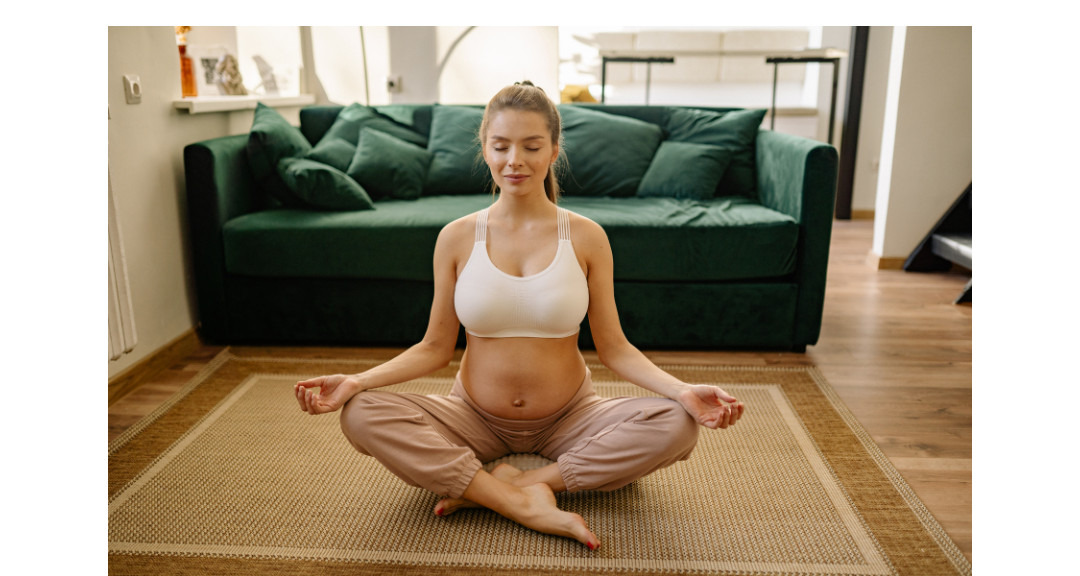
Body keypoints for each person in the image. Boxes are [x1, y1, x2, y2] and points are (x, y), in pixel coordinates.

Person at [294, 81, 746, 551]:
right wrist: (358, 381)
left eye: (532, 146)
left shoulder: (588, 237)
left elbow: (614, 348)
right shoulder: (456, 237)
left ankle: (514, 484)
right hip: (472, 415)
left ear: (554, 149)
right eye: (501, 146)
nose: (516, 160)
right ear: (485, 150)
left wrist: (682, 391)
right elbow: (434, 348)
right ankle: (517, 500)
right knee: (361, 413)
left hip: (571, 416)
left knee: (677, 423)